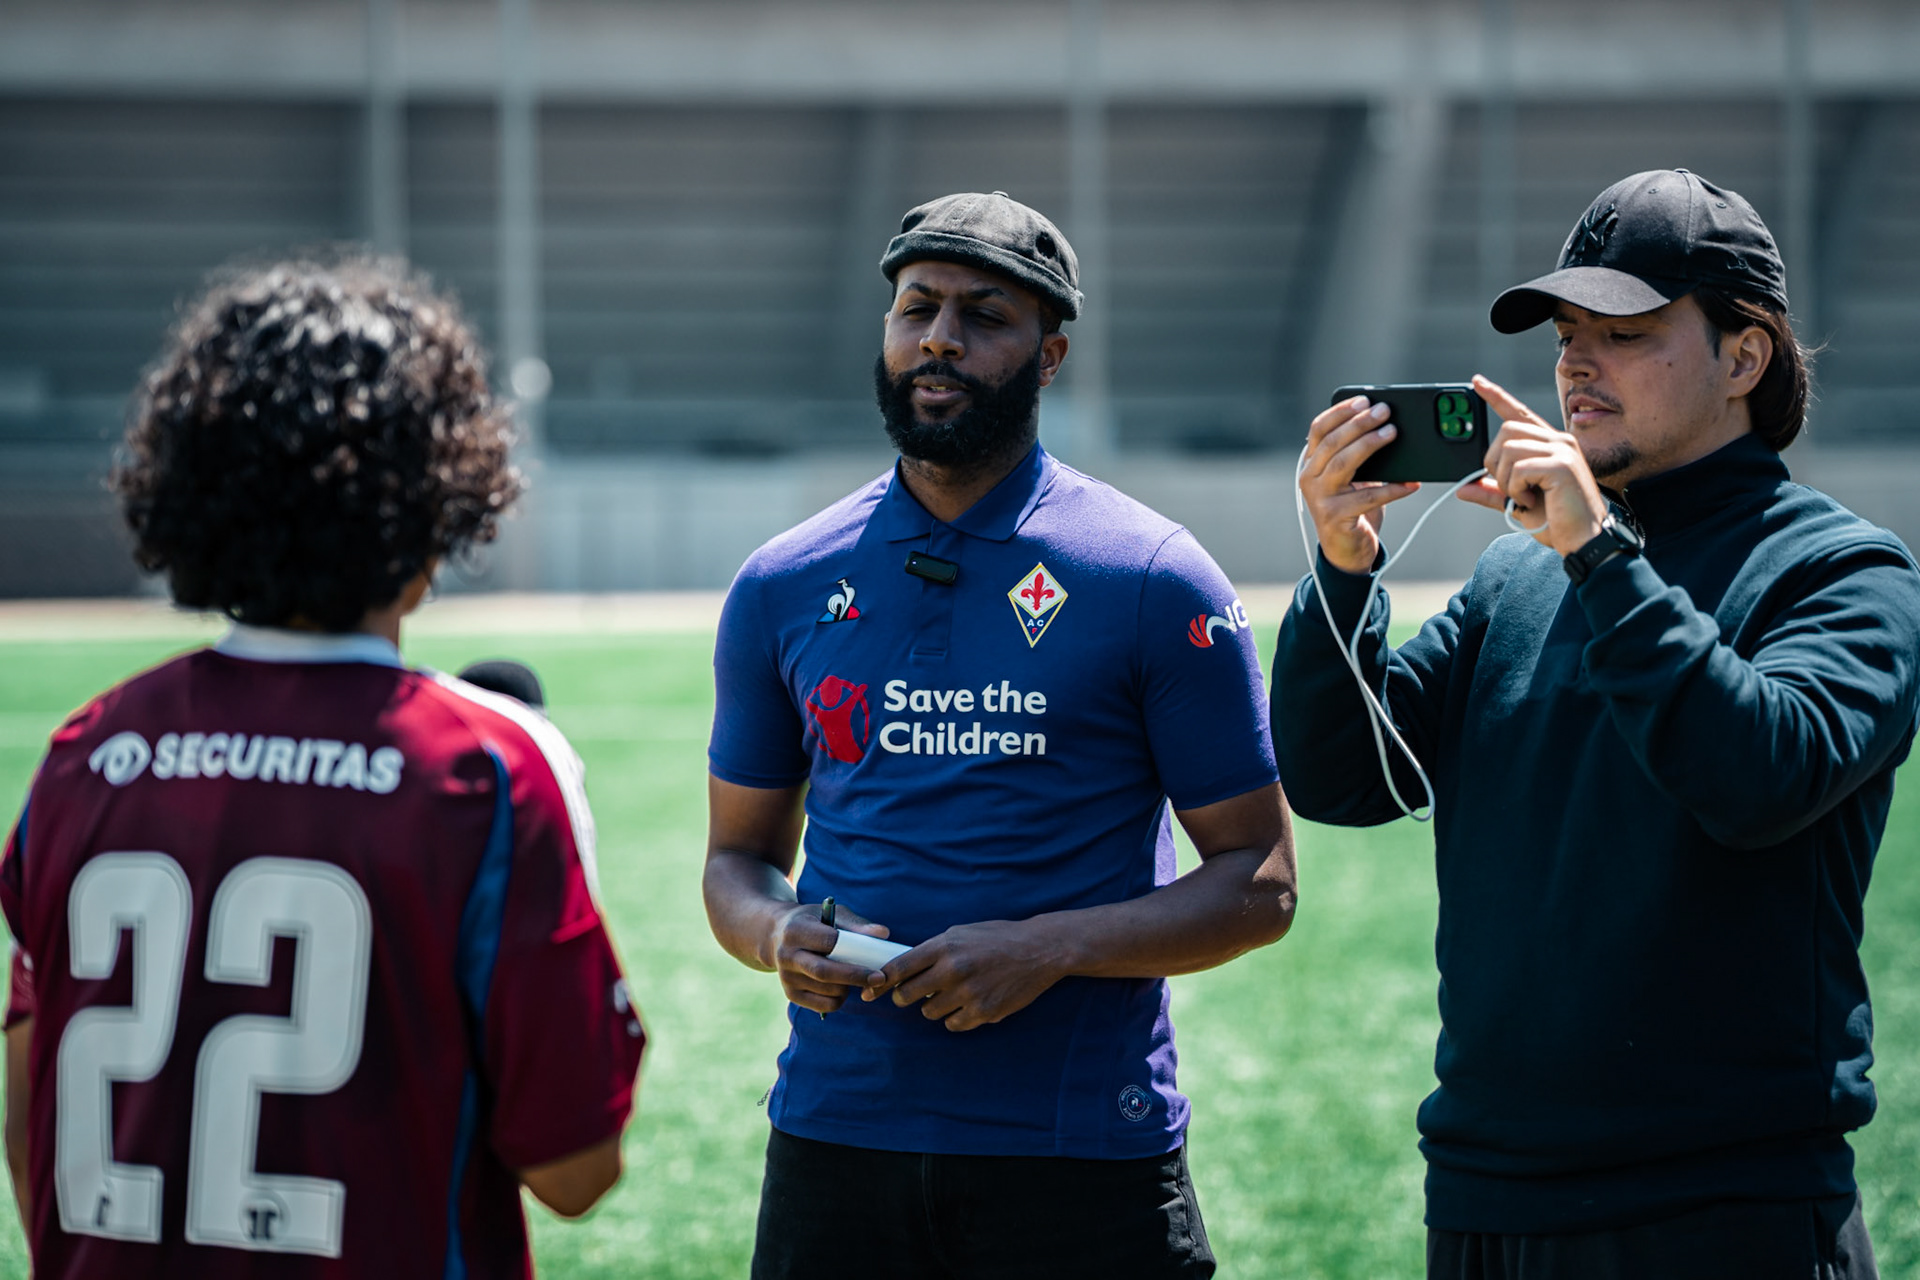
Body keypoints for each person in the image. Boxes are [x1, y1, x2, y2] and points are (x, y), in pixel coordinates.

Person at [1276, 168, 1920, 1278]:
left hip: (1725, 1206)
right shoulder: (1516, 577)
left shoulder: (1844, 569)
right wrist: (1343, 570)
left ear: (1744, 357)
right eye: (1567, 331)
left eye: (1623, 330)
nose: (1575, 361)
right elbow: (1344, 778)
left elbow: (1757, 776)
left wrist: (1599, 552)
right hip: (1484, 1192)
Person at [0, 255, 647, 1277]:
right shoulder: (485, 768)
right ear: (442, 490)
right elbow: (574, 1165)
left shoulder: (85, 752)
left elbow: (28, 1113)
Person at [704, 191, 1297, 1279]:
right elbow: (735, 861)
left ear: (1051, 353)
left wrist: (1047, 946)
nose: (940, 335)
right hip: (837, 1141)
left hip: (1081, 1154)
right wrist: (772, 934)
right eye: (916, 306)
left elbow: (1261, 883)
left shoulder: (1152, 577)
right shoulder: (782, 582)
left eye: (985, 314)